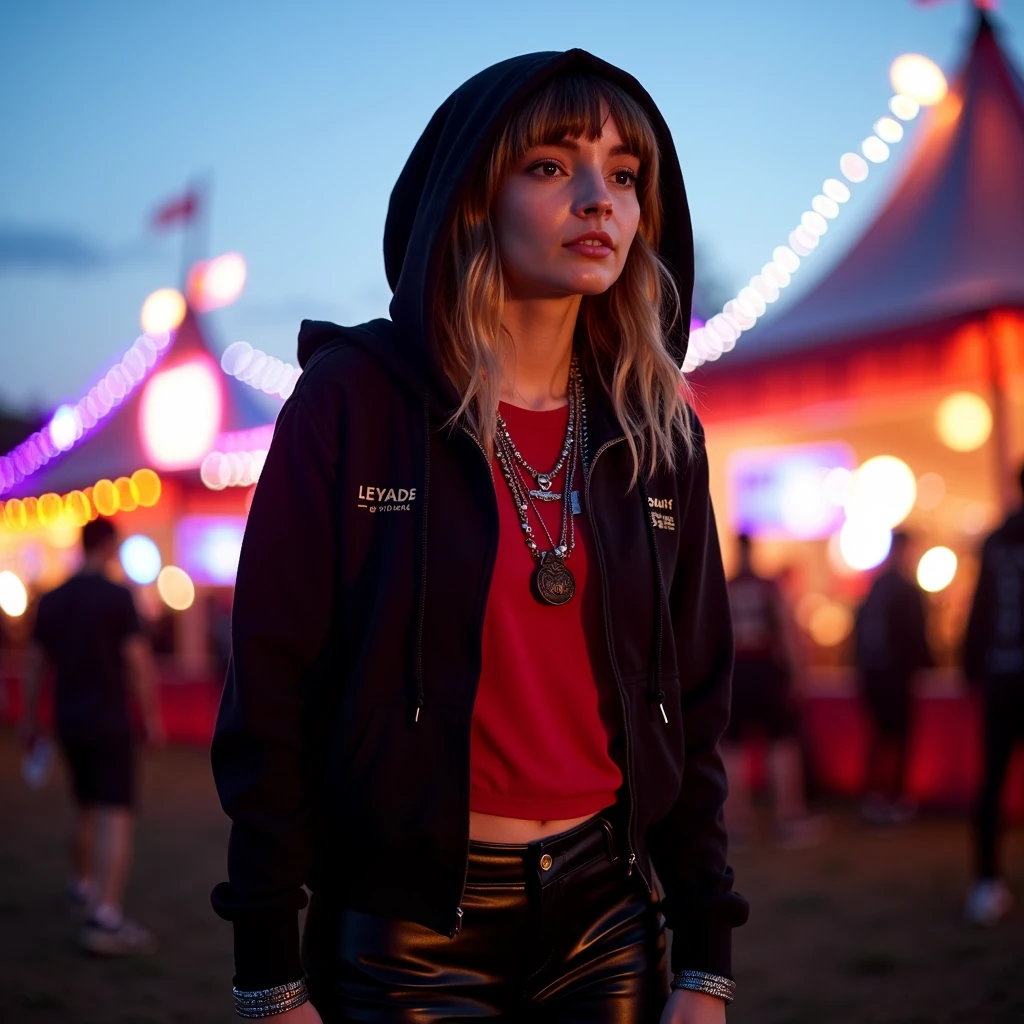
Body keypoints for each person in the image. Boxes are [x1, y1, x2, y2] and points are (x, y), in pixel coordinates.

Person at [212, 51, 748, 1023]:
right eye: (551, 166)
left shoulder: (657, 431)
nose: (599, 199)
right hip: (406, 931)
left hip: (608, 916)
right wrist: (269, 971)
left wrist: (705, 962)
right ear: (472, 198)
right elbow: (271, 686)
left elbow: (694, 700)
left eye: (624, 174)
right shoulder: (353, 399)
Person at [21, 516, 162, 955]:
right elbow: (137, 662)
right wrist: (152, 718)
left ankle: (81, 887)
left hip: (69, 718)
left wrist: (29, 719)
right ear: (107, 547)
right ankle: (107, 917)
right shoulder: (118, 598)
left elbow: (35, 666)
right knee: (114, 813)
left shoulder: (53, 599)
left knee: (81, 805)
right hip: (109, 719)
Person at [721, 535, 823, 848]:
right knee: (782, 744)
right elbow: (788, 631)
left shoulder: (726, 586)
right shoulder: (768, 587)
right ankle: (788, 816)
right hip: (766, 671)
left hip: (735, 673)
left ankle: (737, 820)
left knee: (733, 748)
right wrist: (798, 674)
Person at [962, 466, 1024, 926]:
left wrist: (971, 670)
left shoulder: (996, 540)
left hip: (1000, 678)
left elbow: (979, 608)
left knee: (992, 783)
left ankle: (986, 883)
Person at [854, 530, 932, 826]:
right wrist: (926, 666)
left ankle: (873, 798)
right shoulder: (906, 590)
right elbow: (915, 636)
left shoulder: (873, 587)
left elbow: (858, 636)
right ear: (905, 550)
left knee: (878, 738)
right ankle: (895, 799)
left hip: (872, 676)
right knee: (899, 738)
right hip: (896, 677)